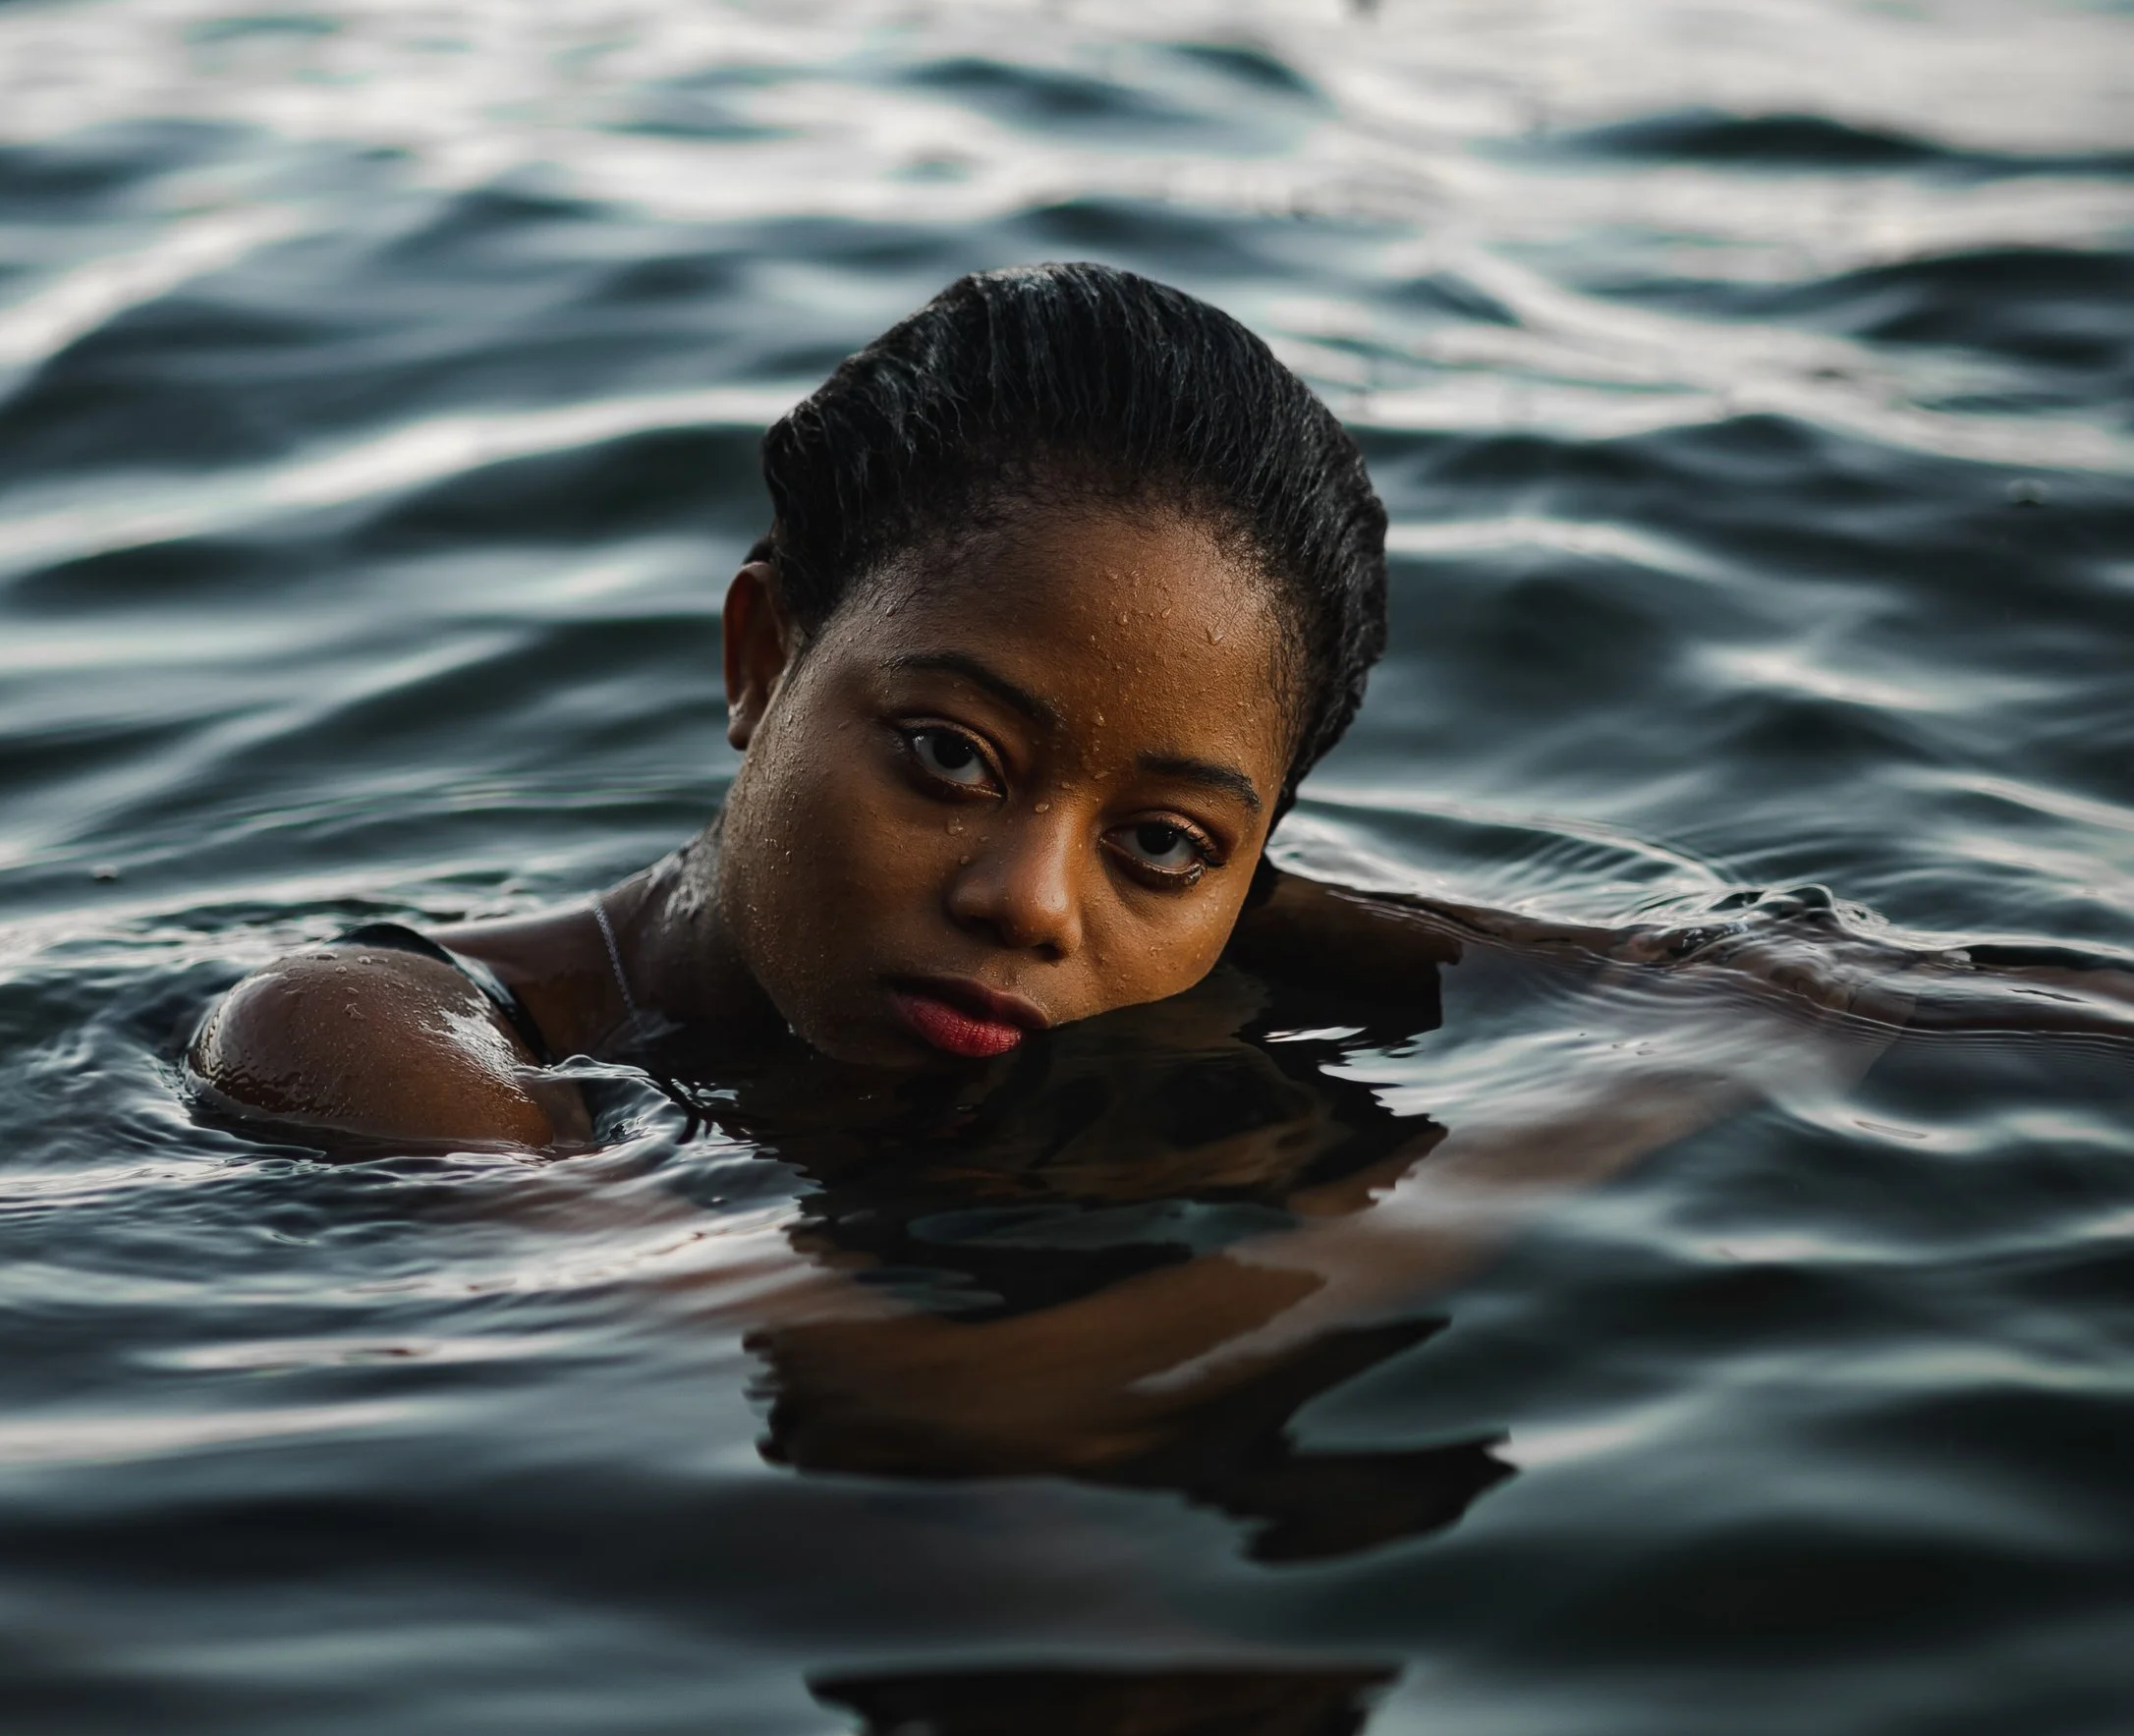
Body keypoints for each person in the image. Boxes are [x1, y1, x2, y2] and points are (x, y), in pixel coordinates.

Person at [190, 264, 2129, 1475]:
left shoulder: (1126, 931)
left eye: (1162, 845)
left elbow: (1835, 993)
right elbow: (931, 1403)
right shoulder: (374, 1035)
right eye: (946, 755)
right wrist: (1651, 1085)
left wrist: (1746, 990)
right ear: (760, 660)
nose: (1032, 902)